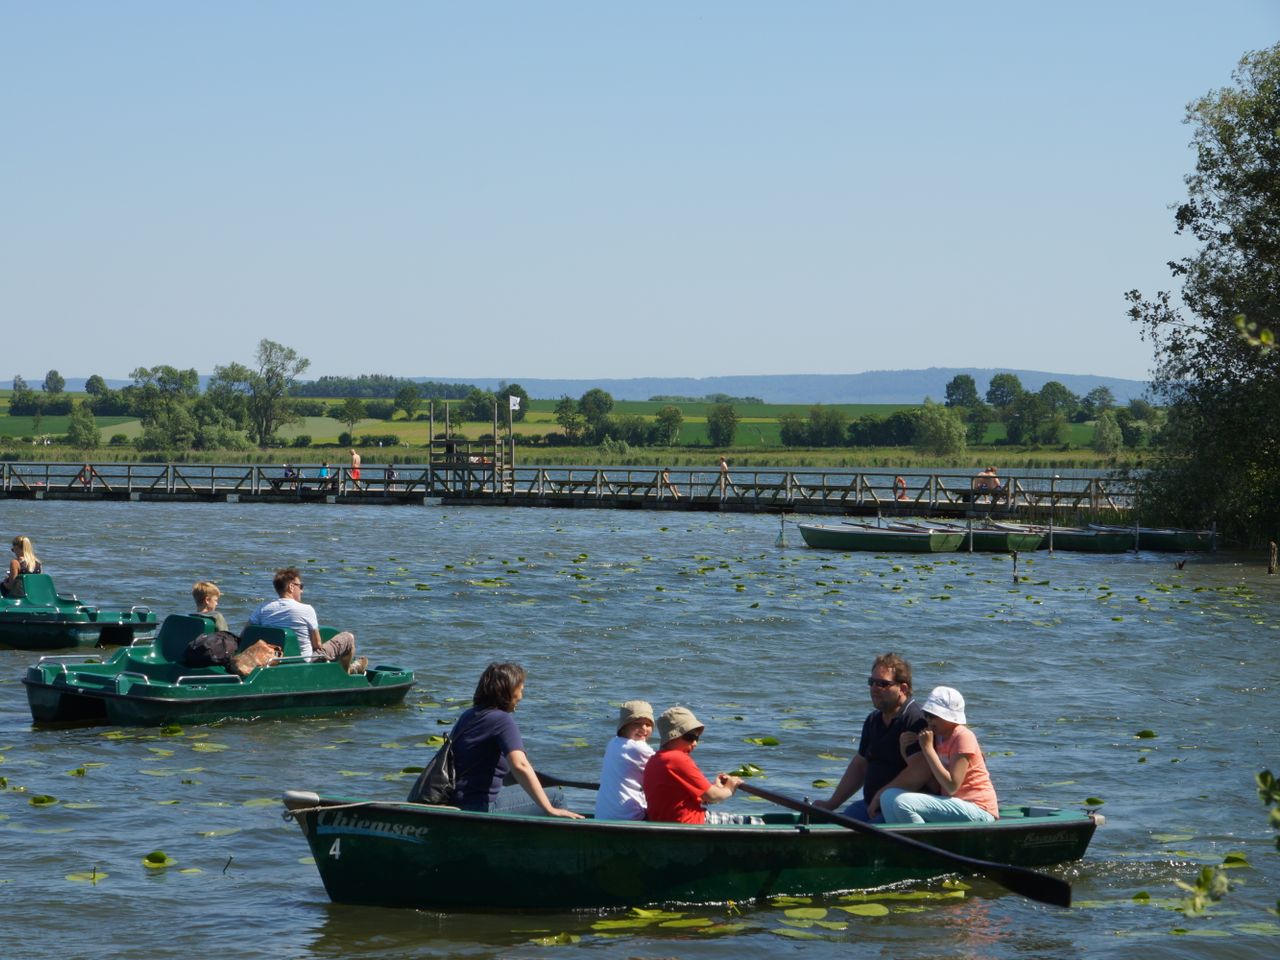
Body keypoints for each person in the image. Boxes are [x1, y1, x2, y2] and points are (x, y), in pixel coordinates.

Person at [450, 662, 583, 818]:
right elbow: (519, 765)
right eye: (520, 687)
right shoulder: (502, 720)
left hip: (456, 799)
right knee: (555, 798)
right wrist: (549, 809)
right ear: (508, 690)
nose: (522, 693)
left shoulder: (468, 715)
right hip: (479, 805)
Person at [814, 653, 931, 822]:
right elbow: (861, 765)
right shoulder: (873, 720)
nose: (875, 688)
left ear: (903, 689)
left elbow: (920, 771)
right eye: (872, 682)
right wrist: (832, 803)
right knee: (839, 823)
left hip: (899, 808)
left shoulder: (914, 719)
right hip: (871, 804)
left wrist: (882, 795)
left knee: (859, 834)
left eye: (883, 684)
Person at [881, 686, 999, 824]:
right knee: (887, 797)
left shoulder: (963, 736)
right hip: (953, 805)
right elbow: (935, 785)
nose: (929, 721)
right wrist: (904, 750)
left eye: (933, 716)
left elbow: (951, 786)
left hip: (978, 808)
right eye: (926, 715)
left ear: (950, 718)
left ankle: (923, 842)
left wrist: (928, 749)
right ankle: (903, 842)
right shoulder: (938, 739)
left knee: (903, 803)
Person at [643, 706, 756, 824]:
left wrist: (717, 787)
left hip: (666, 822)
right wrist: (730, 787)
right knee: (754, 823)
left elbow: (690, 797)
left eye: (697, 738)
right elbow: (712, 796)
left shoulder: (654, 760)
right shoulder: (678, 759)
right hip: (691, 821)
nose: (695, 743)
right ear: (673, 736)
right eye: (690, 737)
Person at [245, 567, 365, 674]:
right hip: (304, 660)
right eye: (300, 586)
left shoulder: (262, 609)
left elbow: (246, 634)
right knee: (348, 637)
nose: (302, 590)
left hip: (273, 660)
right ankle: (347, 673)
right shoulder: (306, 609)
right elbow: (317, 645)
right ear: (291, 587)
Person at [594, 700, 655, 821]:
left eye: (648, 724)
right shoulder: (638, 748)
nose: (644, 728)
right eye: (637, 723)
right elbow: (666, 767)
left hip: (602, 815)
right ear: (624, 726)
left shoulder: (613, 743)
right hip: (630, 817)